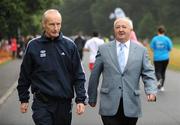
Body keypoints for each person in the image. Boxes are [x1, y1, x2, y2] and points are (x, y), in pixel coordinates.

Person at [17, 9, 86, 125]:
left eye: (58, 24)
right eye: (52, 24)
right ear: (44, 24)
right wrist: (24, 98)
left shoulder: (69, 45)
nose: (56, 28)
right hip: (42, 103)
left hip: (64, 103)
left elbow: (78, 74)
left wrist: (81, 99)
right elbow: (24, 74)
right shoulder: (33, 46)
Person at [88, 17, 157, 125]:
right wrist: (92, 97)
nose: (121, 29)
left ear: (131, 30)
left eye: (124, 27)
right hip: (109, 103)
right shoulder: (103, 49)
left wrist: (151, 90)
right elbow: (95, 74)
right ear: (114, 30)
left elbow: (148, 72)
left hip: (131, 104)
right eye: (118, 27)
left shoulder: (141, 50)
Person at [150, 25, 173, 91]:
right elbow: (170, 48)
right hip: (165, 58)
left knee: (157, 71)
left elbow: (152, 48)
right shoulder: (167, 39)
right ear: (164, 32)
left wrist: (157, 50)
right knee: (163, 72)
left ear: (158, 32)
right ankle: (161, 86)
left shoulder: (154, 39)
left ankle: (159, 79)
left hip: (157, 58)